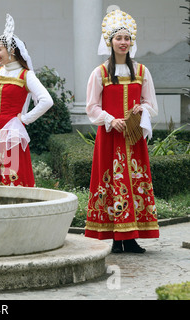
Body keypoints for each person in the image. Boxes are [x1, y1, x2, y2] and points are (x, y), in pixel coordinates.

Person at [85, 9, 159, 253]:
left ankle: (131, 237)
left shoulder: (141, 72)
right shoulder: (100, 73)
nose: (124, 42)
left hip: (133, 138)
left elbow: (152, 104)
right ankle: (117, 238)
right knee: (112, 183)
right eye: (119, 38)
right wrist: (109, 119)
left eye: (127, 38)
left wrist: (141, 110)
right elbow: (92, 107)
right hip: (109, 137)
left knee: (133, 182)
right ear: (110, 41)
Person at [0, 14, 53, 187]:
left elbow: (47, 100)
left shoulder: (26, 75)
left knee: (12, 174)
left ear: (12, 51)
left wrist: (24, 119)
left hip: (11, 132)